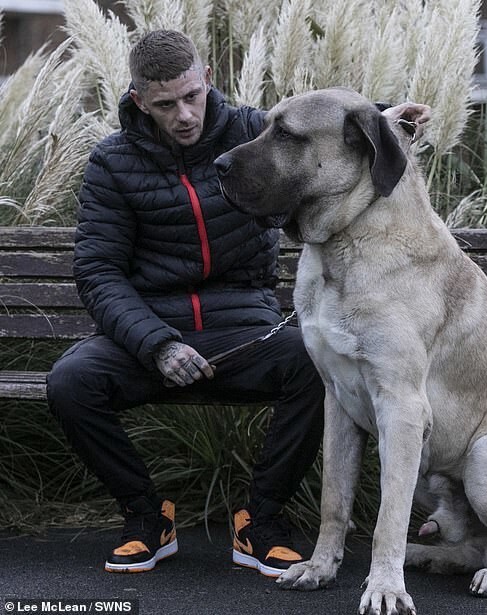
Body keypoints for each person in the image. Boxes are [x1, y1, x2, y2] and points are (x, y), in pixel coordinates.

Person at [46, 29, 325, 578]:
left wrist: (389, 118)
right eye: (166, 104)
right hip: (152, 333)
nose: (185, 115)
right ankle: (148, 518)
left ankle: (261, 520)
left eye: (192, 96)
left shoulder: (252, 132)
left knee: (318, 362)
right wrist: (157, 345)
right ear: (139, 101)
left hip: (243, 328)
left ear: (207, 82)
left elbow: (328, 129)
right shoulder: (111, 163)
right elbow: (98, 272)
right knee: (70, 381)